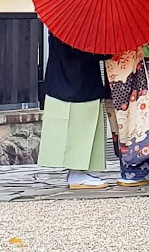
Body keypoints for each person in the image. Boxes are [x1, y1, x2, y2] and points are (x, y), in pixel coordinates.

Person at [37, 32, 109, 190]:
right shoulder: (76, 28)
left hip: (64, 81)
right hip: (77, 84)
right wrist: (108, 53)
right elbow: (82, 52)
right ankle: (77, 173)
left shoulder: (61, 24)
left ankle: (79, 171)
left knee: (80, 129)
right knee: (80, 129)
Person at [104, 30, 149, 186]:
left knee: (137, 115)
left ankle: (137, 173)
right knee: (138, 114)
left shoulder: (113, 15)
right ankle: (145, 171)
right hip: (141, 61)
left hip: (122, 63)